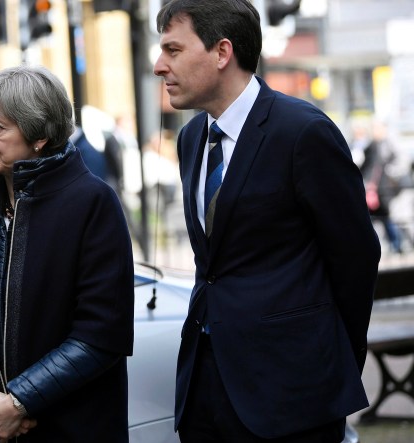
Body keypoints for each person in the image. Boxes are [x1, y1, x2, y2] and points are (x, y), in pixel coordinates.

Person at [153, 1, 381, 442]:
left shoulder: (302, 131)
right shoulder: (191, 138)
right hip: (205, 390)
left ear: (222, 53)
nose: (160, 66)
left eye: (174, 50)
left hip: (292, 396)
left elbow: (355, 258)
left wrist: (328, 363)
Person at [0, 65, 135, 443]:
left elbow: (101, 335)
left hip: (69, 428)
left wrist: (17, 404)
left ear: (39, 136)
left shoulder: (92, 202)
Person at [351, 119, 403, 253]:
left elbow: (397, 164)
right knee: (377, 219)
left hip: (384, 189)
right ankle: (389, 247)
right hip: (374, 189)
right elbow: (366, 167)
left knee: (386, 218)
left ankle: (396, 246)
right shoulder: (371, 146)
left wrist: (391, 175)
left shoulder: (388, 144)